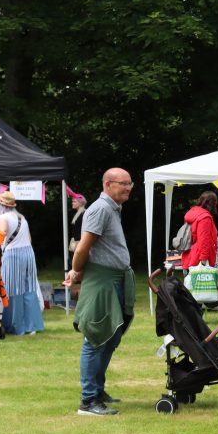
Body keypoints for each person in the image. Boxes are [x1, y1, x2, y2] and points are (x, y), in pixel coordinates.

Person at [69, 168, 136, 416]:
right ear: (108, 184)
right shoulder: (100, 209)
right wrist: (76, 272)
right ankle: (88, 401)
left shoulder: (113, 209)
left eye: (130, 183)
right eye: (124, 183)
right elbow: (82, 248)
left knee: (110, 337)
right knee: (96, 337)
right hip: (102, 282)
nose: (128, 187)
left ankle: (97, 390)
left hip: (115, 279)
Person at [0, 191, 44, 335]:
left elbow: (2, 232)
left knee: (12, 289)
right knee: (29, 288)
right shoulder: (21, 217)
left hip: (13, 254)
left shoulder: (2, 217)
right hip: (28, 253)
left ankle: (16, 325)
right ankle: (32, 325)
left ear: (1, 205)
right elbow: (29, 239)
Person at [181, 191, 218, 270]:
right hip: (199, 260)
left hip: (189, 255)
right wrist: (204, 261)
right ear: (212, 204)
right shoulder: (205, 218)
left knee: (188, 282)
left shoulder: (192, 213)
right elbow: (204, 240)